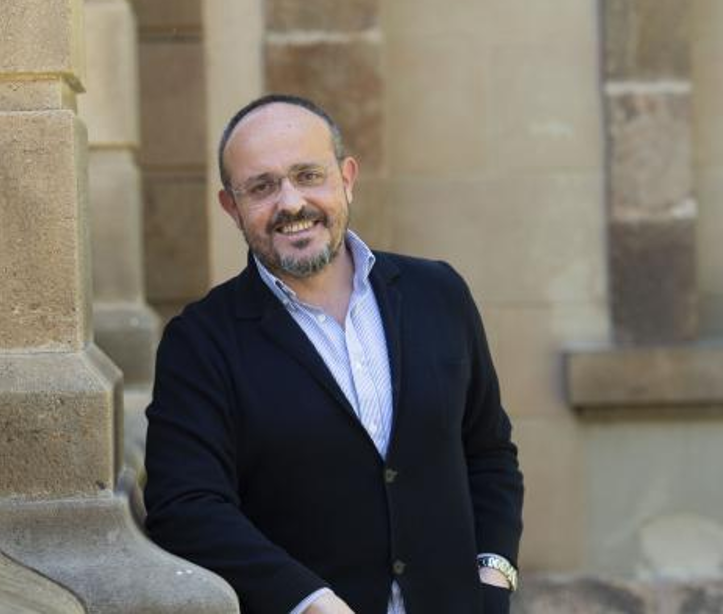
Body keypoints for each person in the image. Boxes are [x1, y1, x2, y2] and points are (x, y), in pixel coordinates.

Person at [143, 94, 523, 614]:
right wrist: (307, 601)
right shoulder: (200, 341)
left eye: (308, 175)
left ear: (346, 178)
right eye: (262, 187)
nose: (291, 203)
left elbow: (489, 454)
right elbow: (184, 507)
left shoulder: (440, 293)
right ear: (231, 207)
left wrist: (493, 576)